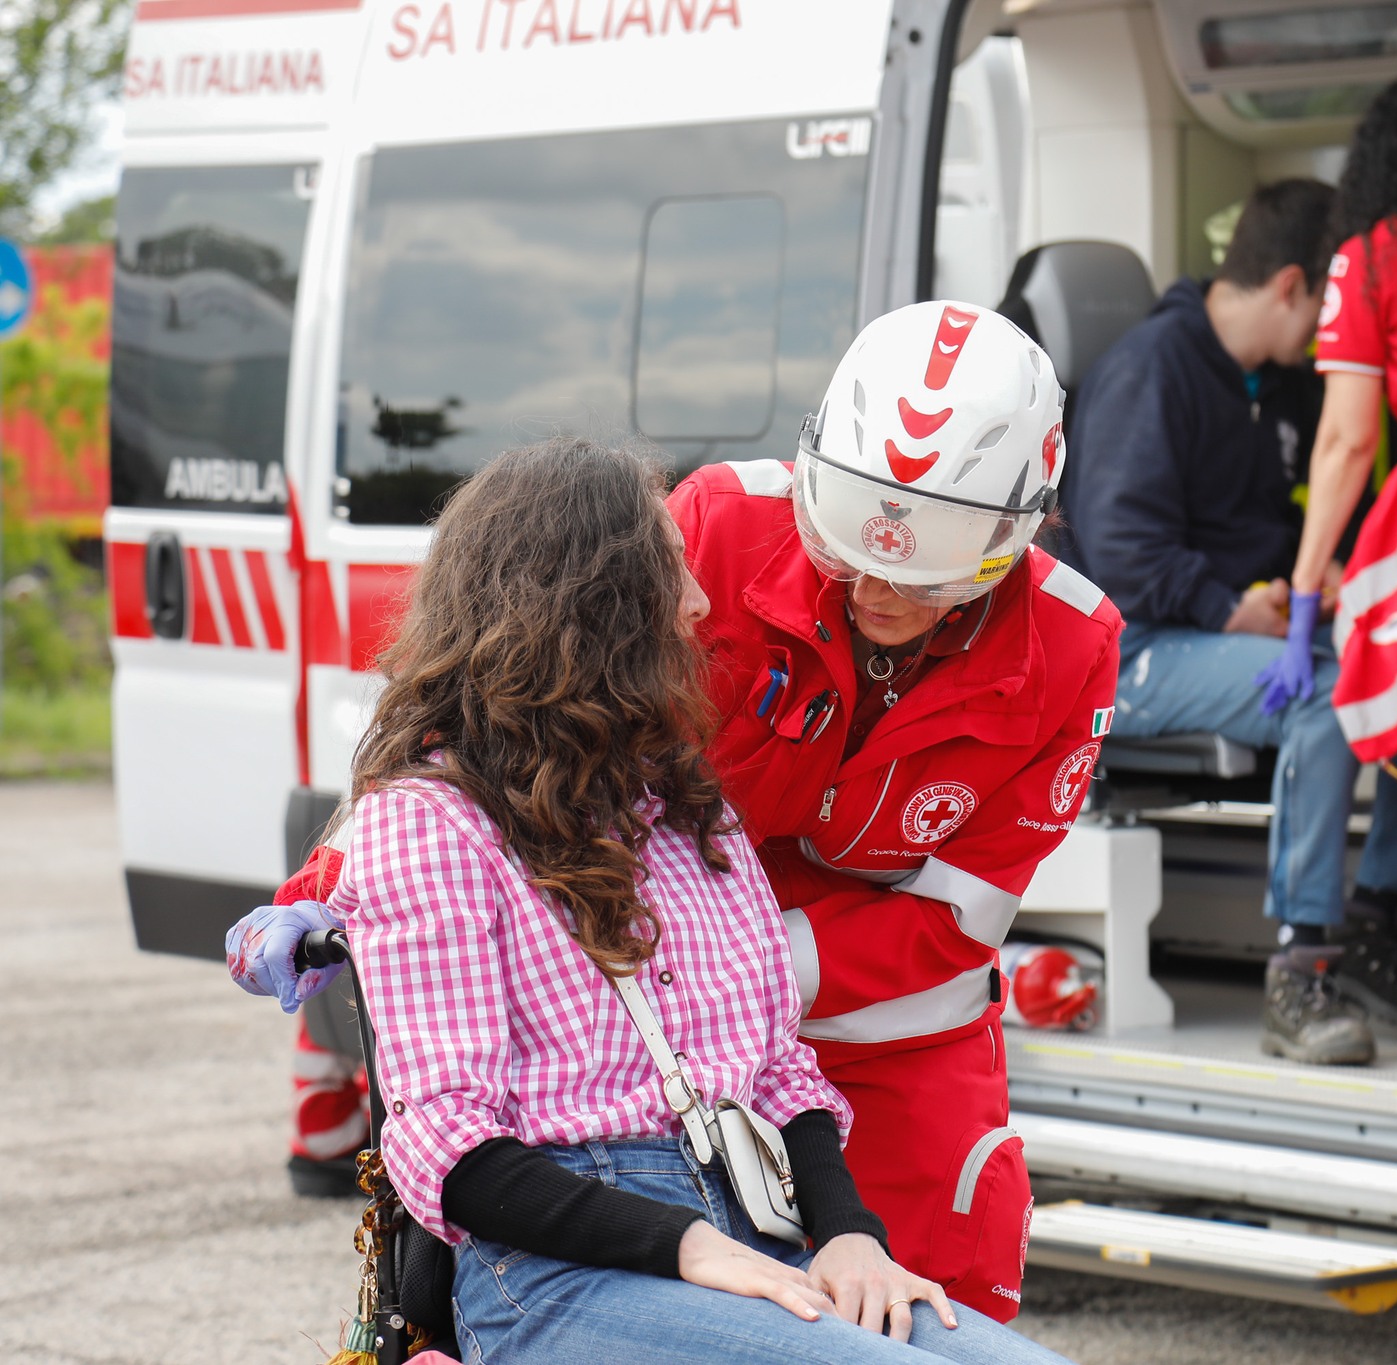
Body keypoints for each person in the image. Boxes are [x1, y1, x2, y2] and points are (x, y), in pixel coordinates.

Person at [230, 299, 1122, 1321]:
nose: (878, 584)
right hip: (646, 1025)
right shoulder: (718, 529)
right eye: (854, 549)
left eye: (924, 575)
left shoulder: (1070, 645)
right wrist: (327, 887)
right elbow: (493, 718)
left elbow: (956, 920)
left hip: (881, 1036)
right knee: (673, 1303)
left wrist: (724, 971)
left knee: (935, 1313)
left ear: (1021, 526)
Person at [325, 436, 1072, 1364]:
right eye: (669, 577)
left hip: (749, 1225)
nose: (701, 602)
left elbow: (778, 1074)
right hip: (559, 1275)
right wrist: (683, 1244)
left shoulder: (683, 802)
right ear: (590, 608)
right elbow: (448, 1147)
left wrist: (849, 1235)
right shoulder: (431, 822)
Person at [1060, 178, 1391, 1066]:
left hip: (1237, 627)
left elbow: (1294, 520)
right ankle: (1300, 970)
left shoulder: (1281, 387)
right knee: (1325, 697)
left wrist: (1318, 583)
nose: (1337, 330)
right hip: (1132, 652)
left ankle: (1382, 927)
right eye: (1334, 303)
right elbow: (1123, 556)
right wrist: (1231, 608)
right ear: (1291, 286)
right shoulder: (1151, 370)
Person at [1260, 69, 1397, 1062]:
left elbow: (1345, 443)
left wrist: (1306, 600)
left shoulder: (1370, 254)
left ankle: (1354, 957)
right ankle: (1383, 930)